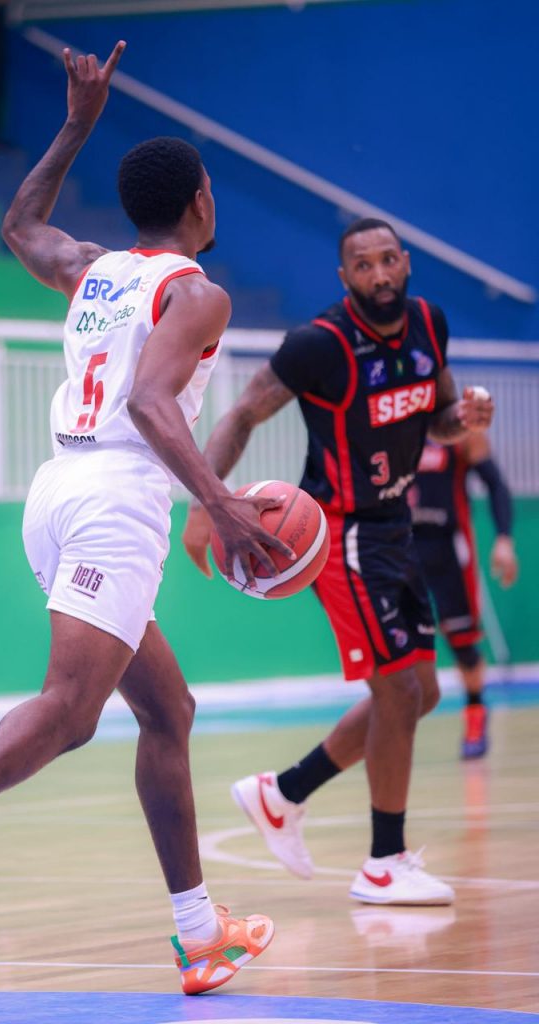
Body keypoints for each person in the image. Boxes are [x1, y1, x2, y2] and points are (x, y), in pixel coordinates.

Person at [0, 41, 284, 996]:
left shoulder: (95, 270)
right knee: (72, 709)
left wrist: (74, 126)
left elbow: (21, 224)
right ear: (203, 202)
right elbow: (150, 402)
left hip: (56, 492)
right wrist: (220, 502)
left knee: (167, 710)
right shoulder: (197, 293)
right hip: (117, 500)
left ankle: (200, 933)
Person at [183, 218, 494, 906]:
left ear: (405, 262)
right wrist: (207, 502)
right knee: (397, 691)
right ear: (343, 276)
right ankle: (384, 863)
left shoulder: (429, 325)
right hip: (339, 531)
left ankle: (282, 794)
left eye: (387, 260)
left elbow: (439, 418)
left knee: (422, 692)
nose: (379, 275)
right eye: (363, 265)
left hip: (395, 524)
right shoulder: (319, 344)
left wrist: (465, 419)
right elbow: (243, 413)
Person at [409, 434, 518, 759]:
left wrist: (504, 539)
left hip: (450, 548)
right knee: (393, 642)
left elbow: (496, 484)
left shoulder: (463, 432)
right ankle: (391, 726)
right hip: (402, 545)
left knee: (463, 641)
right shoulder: (393, 423)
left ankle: (475, 713)